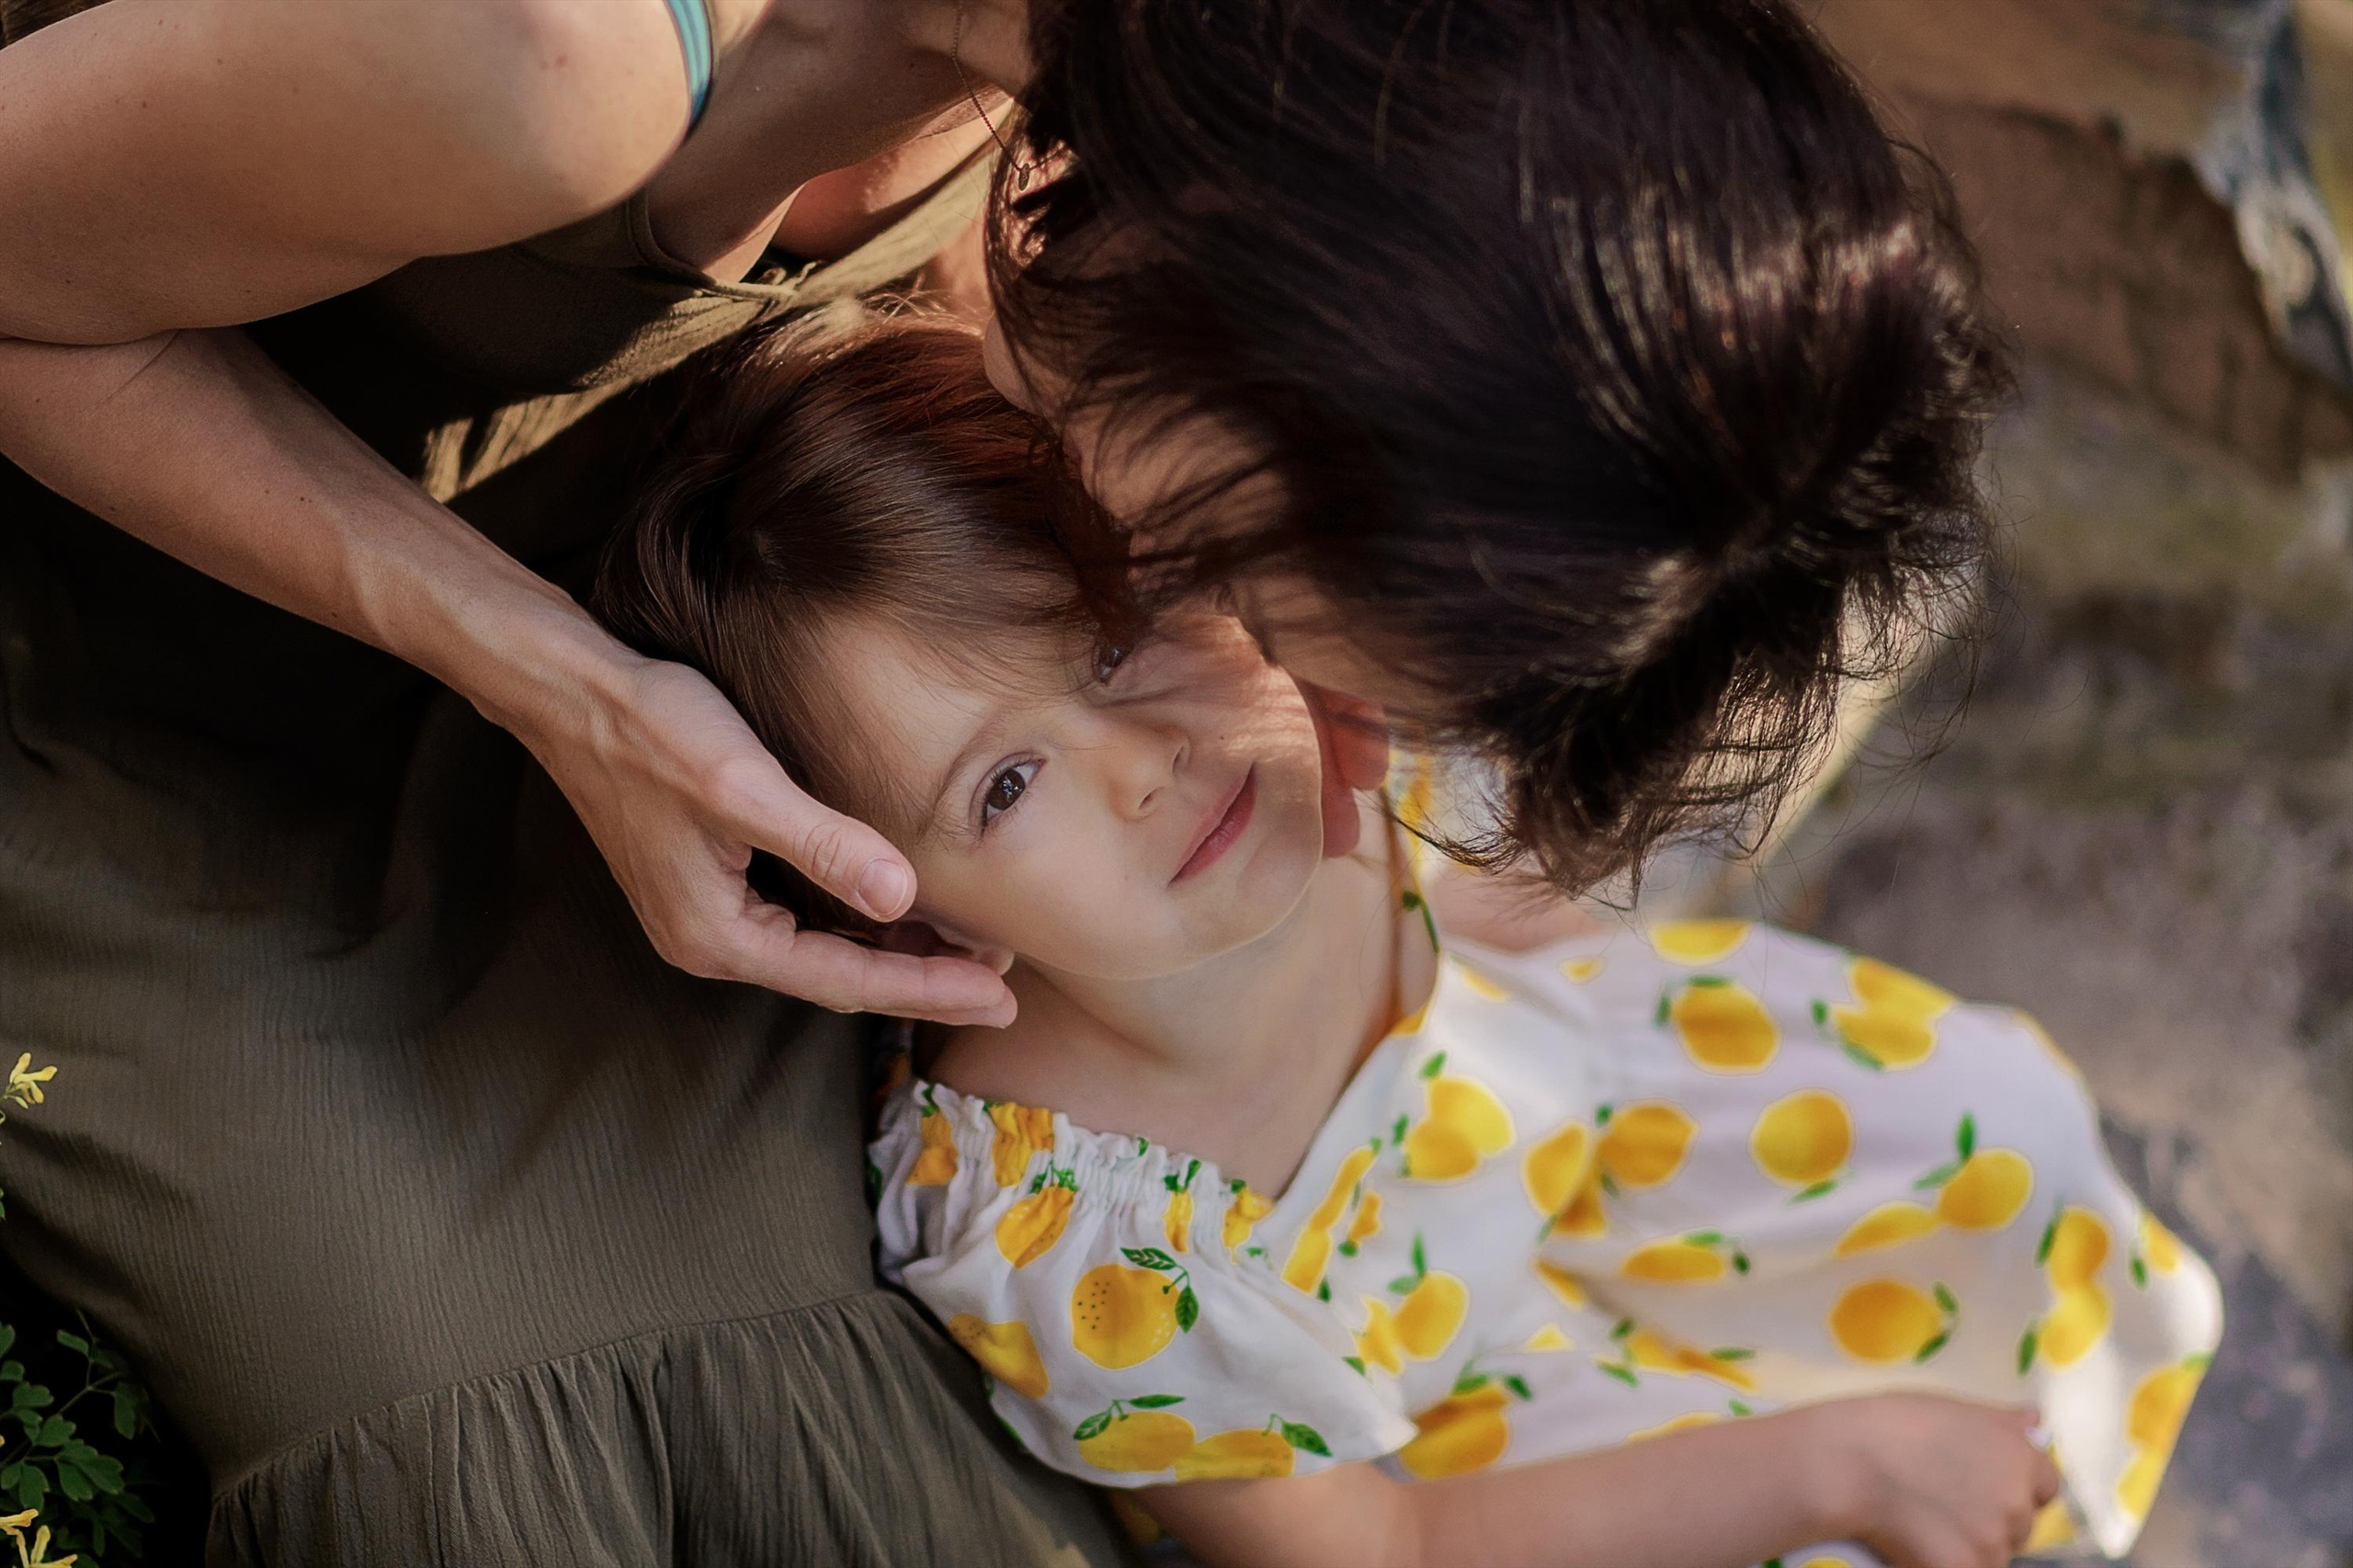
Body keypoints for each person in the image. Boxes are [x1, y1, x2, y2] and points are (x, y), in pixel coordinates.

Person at [0, 0, 2002, 1560]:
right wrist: (562, 690)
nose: (1287, 707)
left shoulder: (1257, 100)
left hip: (796, 591)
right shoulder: (548, 62)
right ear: (1245, 342)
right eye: (1234, 583)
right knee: (539, 1375)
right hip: (152, 600)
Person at [597, 314, 2222, 1568]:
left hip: (1600, 1133)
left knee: (1995, 1133)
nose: (1143, 760)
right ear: (900, 892)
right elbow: (1388, 1550)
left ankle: (2022, 1453)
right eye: (1006, 784)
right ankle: (1906, 1461)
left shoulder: (1323, 727)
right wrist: (1839, 1457)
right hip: (1478, 1471)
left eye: (1117, 636)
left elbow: (1512, 883)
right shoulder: (1077, 1234)